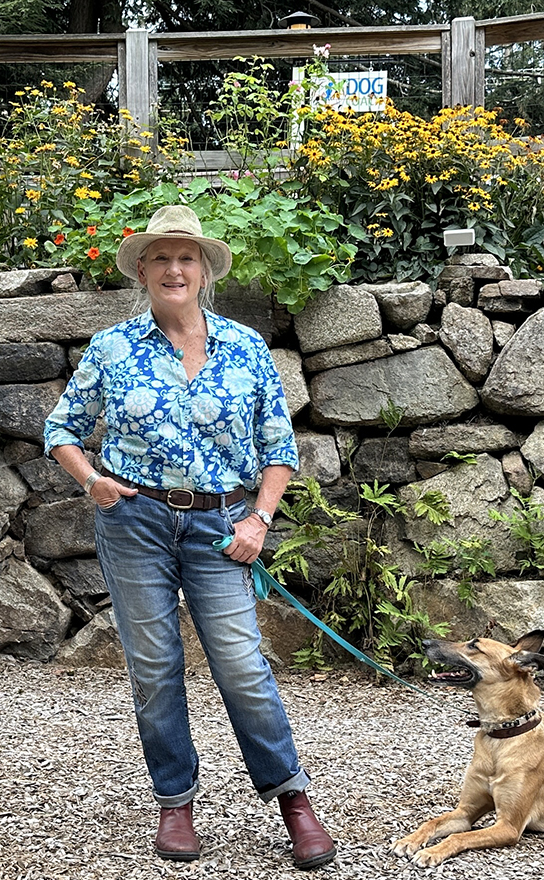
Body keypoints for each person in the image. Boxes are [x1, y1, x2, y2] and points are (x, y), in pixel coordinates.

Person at [42, 204, 336, 870]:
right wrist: (93, 482)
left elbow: (279, 446)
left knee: (241, 664)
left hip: (220, 525)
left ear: (203, 270)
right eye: (162, 258)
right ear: (143, 269)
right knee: (154, 669)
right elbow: (61, 430)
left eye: (187, 258)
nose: (175, 269)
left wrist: (258, 518)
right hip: (134, 522)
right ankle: (175, 803)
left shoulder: (245, 348)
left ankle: (293, 800)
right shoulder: (112, 347)